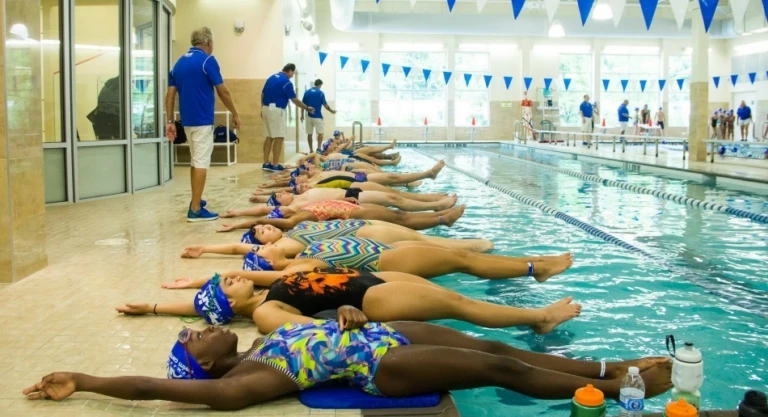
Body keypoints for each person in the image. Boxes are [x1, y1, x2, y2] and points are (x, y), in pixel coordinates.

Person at [23, 320, 674, 411]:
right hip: (384, 365)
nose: (202, 327)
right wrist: (83, 377)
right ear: (200, 366)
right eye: (193, 337)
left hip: (378, 331)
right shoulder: (244, 381)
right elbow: (149, 385)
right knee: (493, 367)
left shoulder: (255, 344)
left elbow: (321, 316)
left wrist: (341, 304)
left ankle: (606, 360)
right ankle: (623, 387)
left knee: (495, 345)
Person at [119, 268, 580, 334]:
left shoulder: (261, 289)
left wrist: (156, 306)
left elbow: (207, 303)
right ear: (231, 306)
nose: (233, 277)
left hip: (367, 279)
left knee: (452, 296)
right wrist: (346, 317)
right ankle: (538, 318)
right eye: (227, 286)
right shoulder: (262, 312)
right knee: (457, 302)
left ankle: (533, 317)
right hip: (367, 298)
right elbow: (304, 329)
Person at [189, 236, 574, 283]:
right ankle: (534, 268)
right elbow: (243, 266)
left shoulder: (297, 253)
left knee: (458, 256)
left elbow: (241, 251)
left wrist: (205, 248)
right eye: (262, 251)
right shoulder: (293, 267)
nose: (262, 246)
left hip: (388, 255)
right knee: (461, 260)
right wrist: (201, 279)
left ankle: (534, 262)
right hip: (392, 262)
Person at [165, 27, 241, 222]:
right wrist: (235, 112)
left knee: (195, 161)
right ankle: (196, 209)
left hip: (187, 122)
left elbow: (170, 94)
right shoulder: (208, 61)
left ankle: (195, 200)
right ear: (208, 42)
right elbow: (223, 91)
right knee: (201, 163)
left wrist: (169, 121)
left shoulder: (178, 63)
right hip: (202, 120)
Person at [216, 201, 465, 232]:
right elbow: (263, 219)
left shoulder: (300, 207)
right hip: (354, 213)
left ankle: (441, 214)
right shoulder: (297, 219)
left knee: (399, 214)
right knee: (400, 218)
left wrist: (237, 213)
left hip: (351, 206)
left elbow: (262, 210)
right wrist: (238, 224)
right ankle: (442, 219)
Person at [222, 188, 458, 218]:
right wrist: (238, 213)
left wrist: (265, 192)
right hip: (350, 199)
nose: (284, 192)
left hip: (350, 194)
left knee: (394, 197)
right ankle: (436, 208)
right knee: (393, 201)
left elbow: (270, 199)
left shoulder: (298, 194)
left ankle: (436, 202)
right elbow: (266, 208)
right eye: (280, 195)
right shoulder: (293, 206)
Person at [262, 64, 314, 172]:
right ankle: (275, 165)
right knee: (279, 137)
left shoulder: (271, 77)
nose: (292, 76)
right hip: (276, 110)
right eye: (293, 73)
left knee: (269, 137)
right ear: (290, 71)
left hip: (266, 108)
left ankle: (266, 163)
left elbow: (262, 94)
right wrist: (307, 108)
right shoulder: (286, 82)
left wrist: (262, 108)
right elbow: (294, 100)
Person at [301, 79, 336, 152]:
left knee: (309, 134)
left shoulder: (306, 92)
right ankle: (319, 148)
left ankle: (311, 150)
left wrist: (302, 115)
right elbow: (325, 105)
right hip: (317, 116)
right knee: (320, 133)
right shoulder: (320, 93)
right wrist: (331, 111)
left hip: (308, 116)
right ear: (320, 85)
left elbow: (303, 105)